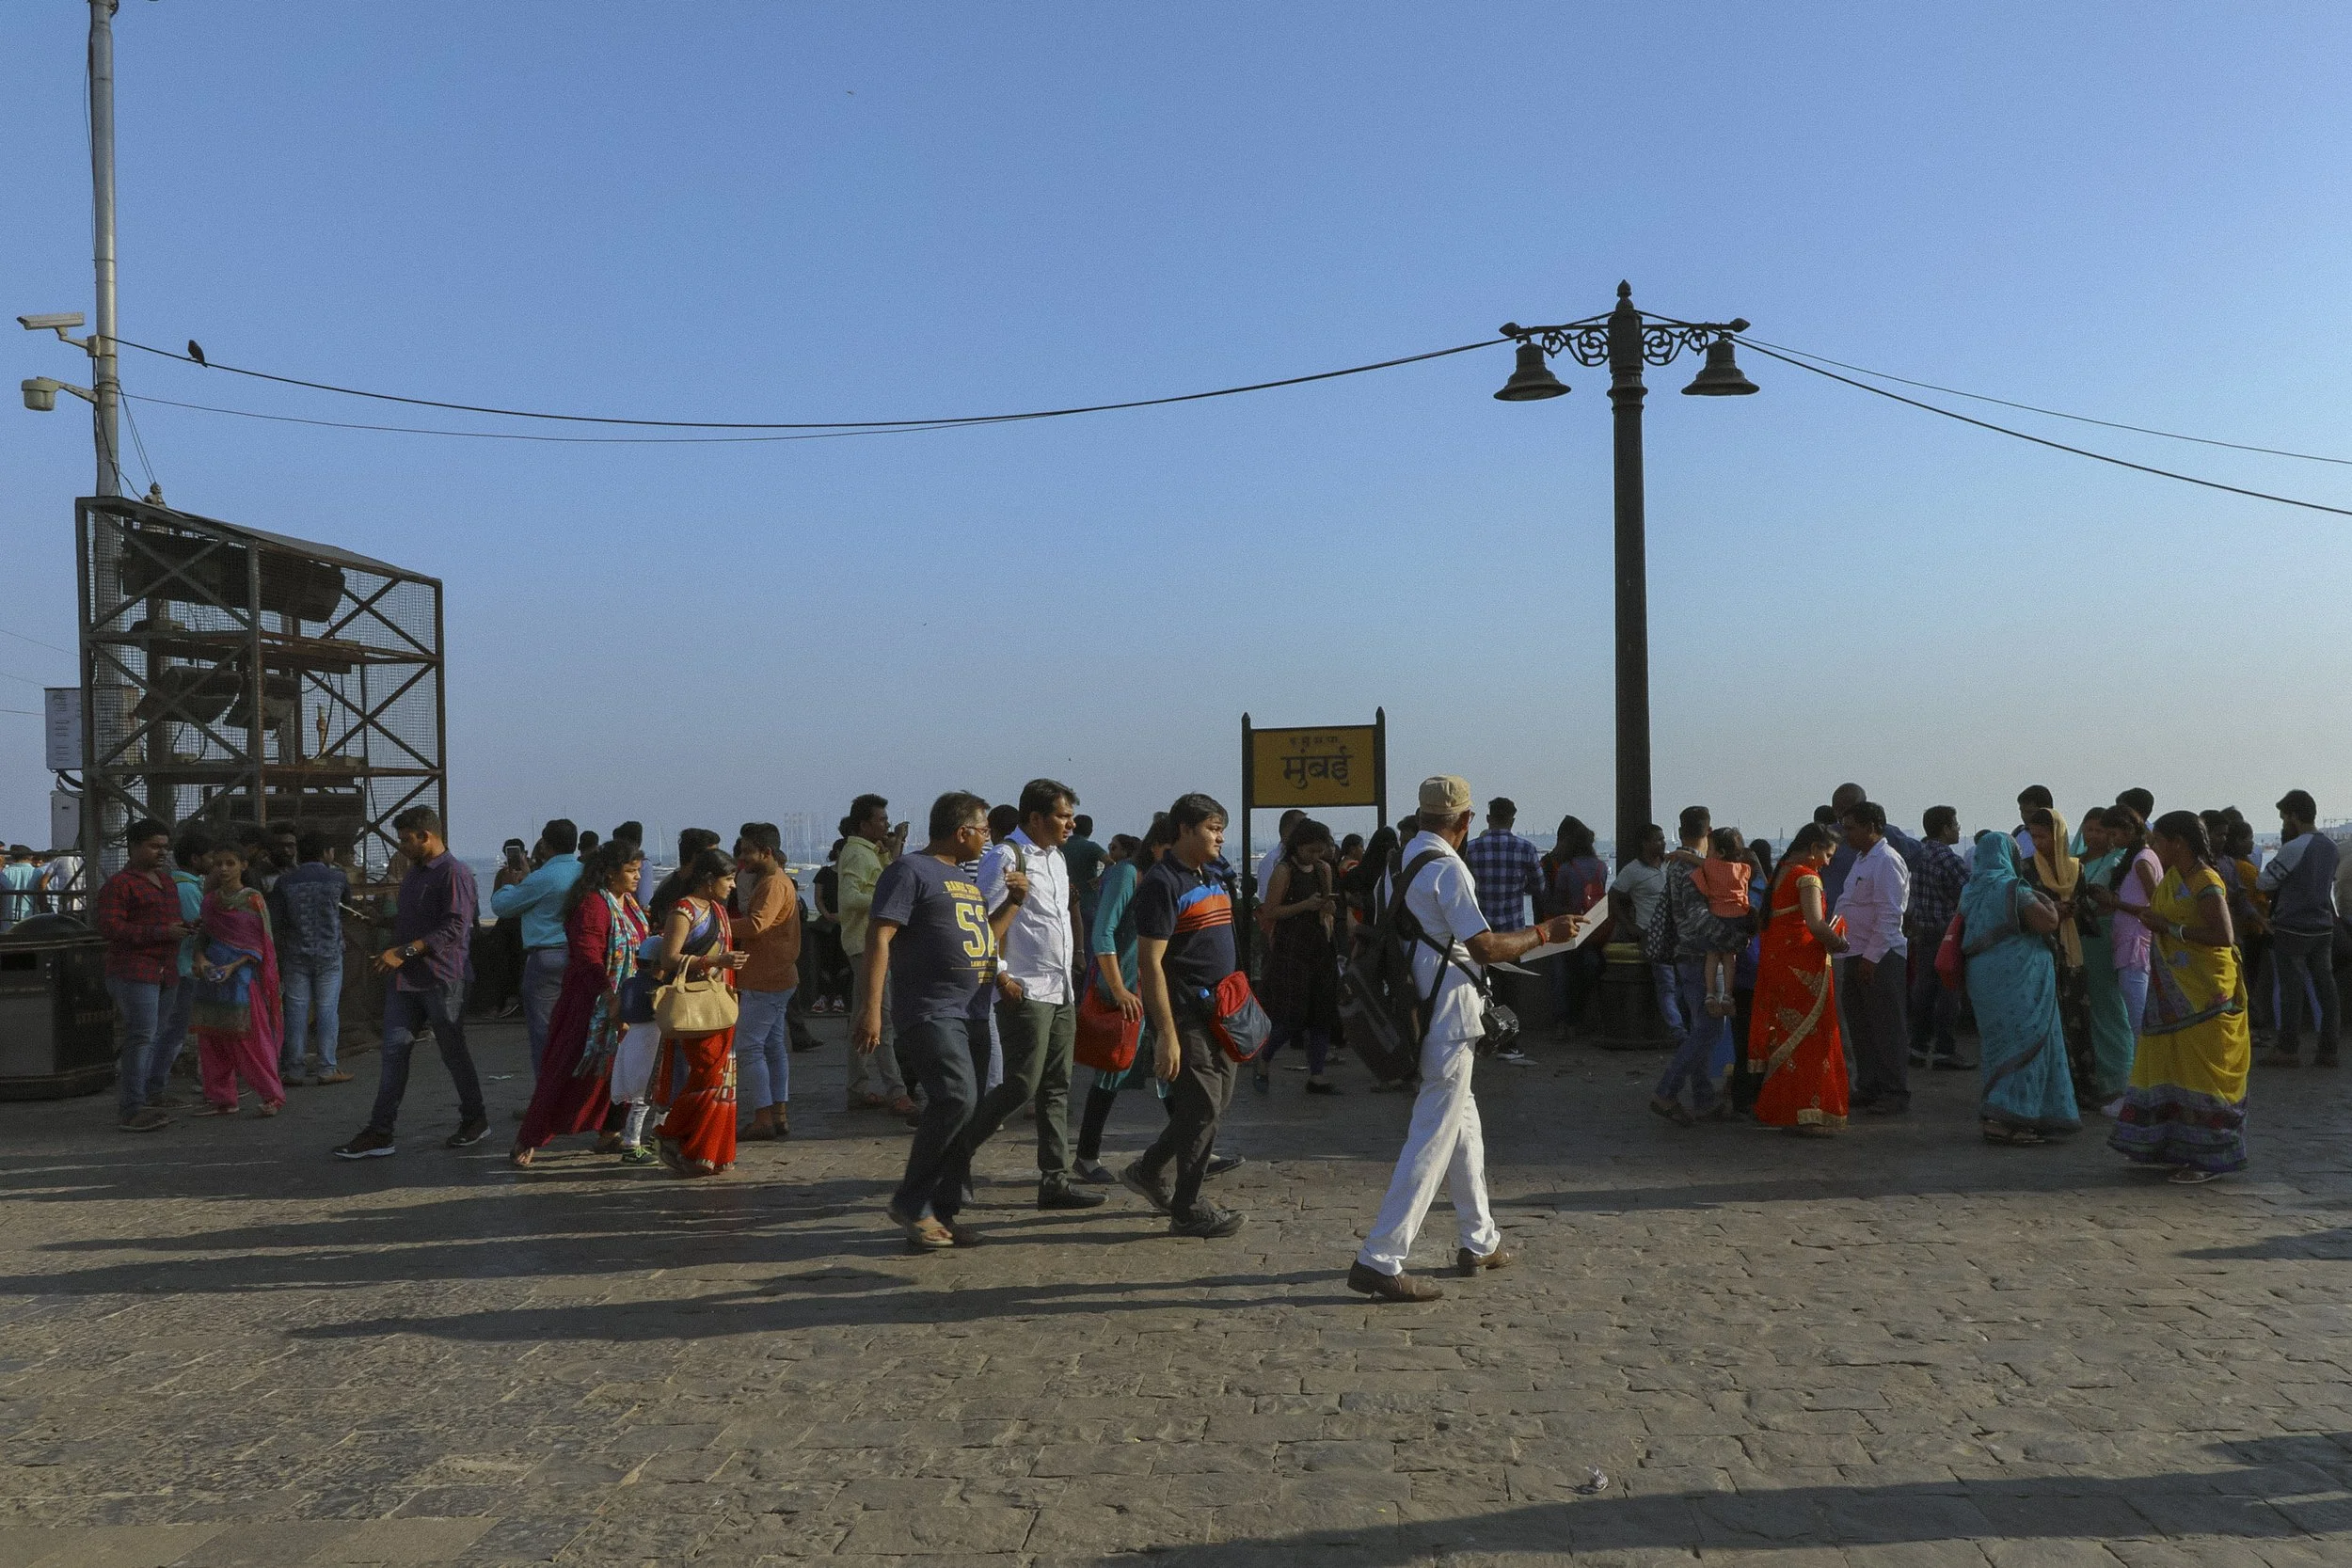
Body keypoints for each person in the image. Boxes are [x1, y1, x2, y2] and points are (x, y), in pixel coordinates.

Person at [1346, 776, 1581, 1303]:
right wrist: (1546, 932)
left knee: (1462, 1124)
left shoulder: (1399, 864)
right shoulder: (1448, 869)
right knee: (1433, 1133)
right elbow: (1486, 946)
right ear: (1465, 821)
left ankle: (1480, 1239)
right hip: (1449, 1011)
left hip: (1416, 1007)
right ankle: (1381, 1256)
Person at [860, 792, 1000, 1250]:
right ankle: (911, 1200)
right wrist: (872, 1009)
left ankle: (943, 1211)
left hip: (974, 1010)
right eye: (984, 830)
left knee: (971, 1109)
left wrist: (1012, 908)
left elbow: (979, 938)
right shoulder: (909, 871)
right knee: (955, 1097)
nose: (988, 838)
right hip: (931, 1010)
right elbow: (880, 937)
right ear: (962, 832)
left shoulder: (964, 880)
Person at [961, 780, 1105, 1212]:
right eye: (1062, 816)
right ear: (1036, 818)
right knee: (1022, 1083)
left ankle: (1054, 1179)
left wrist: (1075, 962)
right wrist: (1001, 976)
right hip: (1023, 987)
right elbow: (982, 922)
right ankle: (955, 1153)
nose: (1070, 823)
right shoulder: (1007, 856)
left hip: (1059, 986)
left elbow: (1059, 918)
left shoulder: (1057, 859)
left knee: (1057, 1084)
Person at [2091, 811, 2253, 1183]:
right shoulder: (2175, 878)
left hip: (2204, 994)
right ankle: (2174, 1146)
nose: (2152, 848)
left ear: (2177, 843)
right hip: (2172, 995)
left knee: (2201, 1074)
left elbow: (2223, 936)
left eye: (2158, 841)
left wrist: (2169, 928)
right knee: (2172, 1066)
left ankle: (2208, 1156)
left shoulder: (2204, 880)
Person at [1121, 791, 1250, 1240]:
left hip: (1224, 1011)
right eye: (1212, 829)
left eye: (1222, 829)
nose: (1220, 837)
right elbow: (1149, 963)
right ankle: (1188, 1206)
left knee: (1211, 1103)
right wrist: (1166, 1034)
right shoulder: (1162, 884)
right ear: (1184, 830)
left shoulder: (1211, 875)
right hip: (1187, 1014)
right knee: (1203, 1107)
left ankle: (1149, 1169)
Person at [332, 807, 488, 1159]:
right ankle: (380, 1131)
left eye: (406, 840)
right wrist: (382, 925)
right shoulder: (415, 875)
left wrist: (401, 952)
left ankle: (475, 1119)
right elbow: (416, 924)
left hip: (442, 979)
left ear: (426, 836)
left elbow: (454, 928)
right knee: (393, 1054)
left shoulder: (454, 873)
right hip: (407, 981)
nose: (401, 847)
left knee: (453, 1053)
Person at [510, 839, 647, 1166]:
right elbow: (588, 956)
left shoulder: (626, 903)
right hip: (590, 1007)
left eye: (638, 871)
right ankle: (529, 1137)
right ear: (611, 873)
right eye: (631, 871)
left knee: (620, 1073)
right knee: (565, 1072)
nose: (637, 878)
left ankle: (610, 1132)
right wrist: (609, 995)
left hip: (623, 1004)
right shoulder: (592, 905)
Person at [1074, 814, 1177, 1184]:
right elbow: (1103, 933)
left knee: (1169, 1069)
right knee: (1112, 1073)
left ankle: (1192, 1144)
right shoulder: (1125, 874)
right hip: (1126, 991)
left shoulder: (1165, 877)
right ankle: (1086, 1156)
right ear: (1156, 847)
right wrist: (1117, 988)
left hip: (1153, 988)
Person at [1961, 833, 2080, 1145]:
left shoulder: (1970, 890)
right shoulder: (2012, 888)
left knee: (1999, 1046)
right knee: (2025, 1043)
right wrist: (2052, 908)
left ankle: (2000, 1115)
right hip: (2019, 980)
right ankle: (2011, 1119)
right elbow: (2045, 923)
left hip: (1986, 979)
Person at [646, 848, 747, 1177]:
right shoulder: (684, 911)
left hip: (720, 1000)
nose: (732, 885)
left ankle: (706, 1152)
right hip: (696, 1004)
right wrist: (713, 963)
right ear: (708, 880)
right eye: (728, 879)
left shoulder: (717, 909)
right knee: (707, 1075)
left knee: (722, 1079)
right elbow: (669, 958)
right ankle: (672, 1133)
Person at [96, 818, 199, 1132]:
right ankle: (131, 1109)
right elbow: (111, 928)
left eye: (165, 847)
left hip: (165, 971)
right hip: (134, 972)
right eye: (154, 846)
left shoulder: (166, 883)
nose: (162, 852)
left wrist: (184, 929)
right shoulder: (120, 884)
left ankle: (152, 1095)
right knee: (141, 1037)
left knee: (155, 1035)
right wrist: (162, 932)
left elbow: (170, 922)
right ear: (133, 846)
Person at [1748, 824, 1850, 1134]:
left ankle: (1788, 1110)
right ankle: (1806, 1112)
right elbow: (1816, 926)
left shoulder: (1781, 871)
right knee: (1810, 1040)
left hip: (1780, 967)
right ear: (1815, 847)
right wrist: (1840, 943)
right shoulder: (1807, 876)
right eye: (1828, 854)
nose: (1829, 862)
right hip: (1803, 969)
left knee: (1786, 1036)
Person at [189, 841, 287, 1117]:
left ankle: (272, 1095)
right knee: (211, 1040)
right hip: (211, 976)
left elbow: (261, 943)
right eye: (218, 863)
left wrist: (234, 965)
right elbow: (204, 935)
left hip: (242, 979)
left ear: (243, 865)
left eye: (230, 863)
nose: (223, 869)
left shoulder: (252, 899)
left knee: (250, 1040)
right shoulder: (210, 901)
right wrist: (201, 960)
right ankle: (223, 1099)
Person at [1651, 808, 1730, 1123]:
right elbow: (1700, 917)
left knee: (1701, 1029)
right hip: (1703, 955)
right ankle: (1666, 1092)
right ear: (1708, 832)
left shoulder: (1676, 864)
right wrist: (1732, 939)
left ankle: (1703, 1096)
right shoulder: (1691, 868)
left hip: (1686, 955)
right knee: (1710, 1029)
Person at [838, 795, 915, 1115]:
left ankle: (857, 1085)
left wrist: (893, 849)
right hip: (866, 944)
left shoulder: (870, 852)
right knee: (880, 1017)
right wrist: (883, 899)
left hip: (868, 943)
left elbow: (889, 875)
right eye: (881, 820)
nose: (885, 824)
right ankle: (896, 1089)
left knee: (862, 1015)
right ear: (864, 824)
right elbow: (850, 897)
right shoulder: (856, 853)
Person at [488, 819, 581, 1076]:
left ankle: (547, 1098)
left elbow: (502, 907)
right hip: (581, 957)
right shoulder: (585, 873)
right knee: (577, 1029)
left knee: (545, 1033)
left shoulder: (542, 878)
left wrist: (508, 883)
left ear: (545, 846)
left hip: (546, 958)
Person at [1838, 800, 1914, 1117]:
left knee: (1886, 1026)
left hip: (1880, 956)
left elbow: (1889, 915)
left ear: (1871, 827)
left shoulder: (1886, 860)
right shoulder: (1862, 860)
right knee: (1862, 1026)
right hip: (1855, 951)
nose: (1846, 835)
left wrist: (1871, 958)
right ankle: (1869, 1085)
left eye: (1851, 828)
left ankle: (1894, 1090)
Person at [1258, 817, 1343, 1094]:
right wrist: (1305, 905)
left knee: (1322, 1013)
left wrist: (1327, 908)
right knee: (1291, 1015)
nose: (1315, 857)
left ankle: (1317, 1073)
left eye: (1320, 852)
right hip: (1291, 948)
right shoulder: (1284, 871)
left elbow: (1328, 907)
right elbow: (1270, 911)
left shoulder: (1323, 870)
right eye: (1310, 851)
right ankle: (1265, 1055)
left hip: (1319, 945)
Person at [730, 823, 803, 1140]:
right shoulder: (777, 881)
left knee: (749, 1047)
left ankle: (762, 1118)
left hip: (766, 976)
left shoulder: (773, 884)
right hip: (779, 973)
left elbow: (756, 925)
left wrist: (716, 923)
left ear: (767, 852)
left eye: (748, 851)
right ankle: (778, 1113)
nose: (743, 858)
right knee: (773, 1046)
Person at [2258, 790, 2340, 1069]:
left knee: (2291, 990)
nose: (2283, 823)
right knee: (2326, 989)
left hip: (2293, 927)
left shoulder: (2295, 847)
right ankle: (2329, 1049)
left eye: (2284, 817)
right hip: (2323, 927)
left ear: (2293, 816)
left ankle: (2288, 1048)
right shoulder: (2330, 847)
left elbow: (2265, 882)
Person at [275, 830, 352, 1086]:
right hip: (330, 953)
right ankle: (327, 1067)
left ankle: (294, 1069)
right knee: (327, 1009)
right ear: (325, 853)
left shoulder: (285, 882)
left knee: (296, 1010)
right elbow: (347, 908)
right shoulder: (338, 878)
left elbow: (278, 919)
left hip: (295, 954)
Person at [148, 829, 212, 1101]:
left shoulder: (179, 883)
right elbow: (194, 930)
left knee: (166, 1029)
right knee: (172, 1032)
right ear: (197, 860)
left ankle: (154, 1085)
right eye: (212, 858)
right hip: (184, 967)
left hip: (178, 967)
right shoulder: (186, 889)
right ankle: (155, 1087)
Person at [1903, 806, 1969, 1070]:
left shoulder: (1917, 854)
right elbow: (1968, 892)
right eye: (1955, 824)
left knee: (1924, 990)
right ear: (1945, 828)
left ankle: (1917, 1047)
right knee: (1948, 992)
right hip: (1947, 932)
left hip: (1923, 930)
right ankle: (1944, 1049)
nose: (1958, 828)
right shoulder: (1948, 858)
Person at [1540, 816, 1609, 1039]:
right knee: (1590, 969)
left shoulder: (1561, 867)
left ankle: (1564, 1022)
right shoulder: (1600, 867)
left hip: (1560, 932)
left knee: (1561, 976)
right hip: (1591, 931)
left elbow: (1549, 901)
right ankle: (1579, 1019)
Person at [1609, 824, 1678, 1042]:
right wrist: (1629, 925)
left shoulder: (1671, 865)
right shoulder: (1633, 871)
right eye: (1657, 839)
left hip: (1675, 931)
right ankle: (1676, 1031)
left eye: (1663, 839)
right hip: (1650, 931)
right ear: (1645, 843)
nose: (1663, 843)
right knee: (1666, 982)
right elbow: (1614, 896)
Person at [1692, 827, 1754, 1020]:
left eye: (1710, 849)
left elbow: (1697, 867)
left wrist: (1679, 854)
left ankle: (1710, 993)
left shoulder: (1710, 866)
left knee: (1712, 956)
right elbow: (1744, 892)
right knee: (1729, 957)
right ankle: (1727, 994)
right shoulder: (1745, 869)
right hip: (1737, 916)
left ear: (1720, 853)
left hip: (1717, 915)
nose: (1707, 853)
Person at [1463, 797, 1544, 935]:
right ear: (1512, 821)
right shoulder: (1527, 849)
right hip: (1513, 931)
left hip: (1479, 931)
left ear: (1488, 818)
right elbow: (1539, 887)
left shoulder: (1470, 849)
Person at [0, 846, 39, 931]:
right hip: (30, 914)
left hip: (9, 915)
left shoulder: (5, 872)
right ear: (29, 856)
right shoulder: (37, 872)